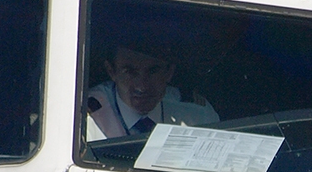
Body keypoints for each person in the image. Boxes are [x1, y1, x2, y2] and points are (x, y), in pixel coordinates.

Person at [86, 38, 219, 141]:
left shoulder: (197, 114)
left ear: (169, 72)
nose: (142, 86)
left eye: (153, 71)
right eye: (130, 72)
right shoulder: (85, 119)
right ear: (112, 72)